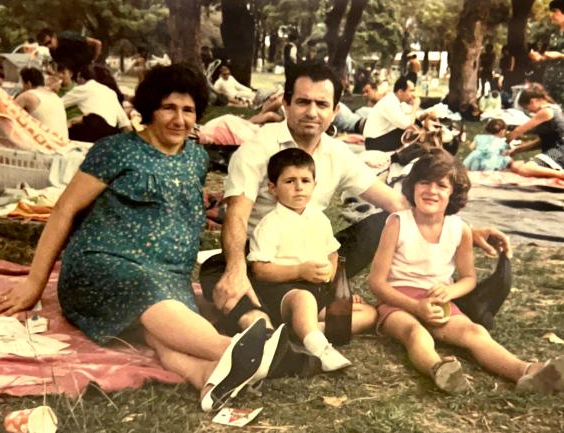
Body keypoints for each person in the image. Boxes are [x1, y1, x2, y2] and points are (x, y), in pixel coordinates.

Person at [0, 64, 287, 412]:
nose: (179, 120)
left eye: (188, 110)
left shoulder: (195, 157)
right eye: (169, 108)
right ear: (149, 110)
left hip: (167, 276)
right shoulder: (116, 149)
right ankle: (235, 350)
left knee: (160, 331)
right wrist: (34, 283)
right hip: (104, 266)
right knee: (147, 295)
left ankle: (207, 376)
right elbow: (64, 210)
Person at [199, 61, 511, 340]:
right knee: (217, 271)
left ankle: (281, 316)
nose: (312, 112)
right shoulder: (256, 148)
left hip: (315, 260)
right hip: (262, 259)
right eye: (303, 101)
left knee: (381, 224)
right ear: (286, 103)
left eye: (322, 104)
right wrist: (237, 269)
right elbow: (237, 216)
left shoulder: (336, 152)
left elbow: (396, 203)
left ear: (335, 110)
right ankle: (284, 316)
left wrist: (464, 228)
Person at [369, 148, 563, 394]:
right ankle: (438, 369)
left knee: (474, 331)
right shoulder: (398, 223)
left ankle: (526, 372)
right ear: (412, 187)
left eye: (441, 185)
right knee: (414, 332)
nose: (431, 190)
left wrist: (449, 291)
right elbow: (376, 283)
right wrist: (414, 307)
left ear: (453, 194)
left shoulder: (459, 229)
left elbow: (469, 278)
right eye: (424, 182)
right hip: (396, 300)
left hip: (439, 301)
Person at [248, 148, 377, 371]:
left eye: (305, 180)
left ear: (314, 185)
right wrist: (298, 272)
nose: (299, 187)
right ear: (272, 188)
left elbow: (332, 253)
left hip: (320, 290)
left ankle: (303, 330)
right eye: (289, 181)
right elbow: (260, 270)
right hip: (286, 291)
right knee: (304, 299)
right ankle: (320, 348)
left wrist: (333, 280)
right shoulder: (270, 225)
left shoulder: (319, 219)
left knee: (368, 314)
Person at [505, 83, 564, 180]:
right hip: (557, 149)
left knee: (525, 169)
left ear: (532, 102)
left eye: (527, 108)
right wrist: (517, 149)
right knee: (516, 166)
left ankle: (561, 174)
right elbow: (543, 141)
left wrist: (503, 141)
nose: (530, 112)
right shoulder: (554, 109)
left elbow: (520, 130)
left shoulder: (546, 111)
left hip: (560, 151)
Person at [62, 64, 131, 142]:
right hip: (110, 133)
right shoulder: (110, 92)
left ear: (80, 78)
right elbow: (124, 123)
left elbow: (57, 104)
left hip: (92, 130)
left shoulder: (82, 89)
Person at [362, 77, 420, 152]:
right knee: (407, 131)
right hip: (374, 143)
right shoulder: (390, 102)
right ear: (400, 92)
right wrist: (415, 106)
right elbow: (408, 124)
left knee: (413, 126)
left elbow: (410, 115)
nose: (412, 95)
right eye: (410, 91)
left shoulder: (394, 100)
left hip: (376, 139)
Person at [15, 67, 69, 139]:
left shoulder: (27, 95)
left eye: (23, 84)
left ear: (28, 83)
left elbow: (8, 113)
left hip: (44, 145)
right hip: (63, 141)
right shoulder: (56, 96)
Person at [528, 1, 564, 105]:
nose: (551, 15)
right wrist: (539, 58)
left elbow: (557, 55)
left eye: (555, 12)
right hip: (550, 80)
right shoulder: (554, 34)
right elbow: (548, 56)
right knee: (550, 110)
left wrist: (560, 55)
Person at [37, 28, 102, 74]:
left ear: (54, 36)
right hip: (78, 73)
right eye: (45, 45)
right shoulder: (53, 52)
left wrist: (94, 61)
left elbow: (97, 43)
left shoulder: (69, 38)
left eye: (49, 42)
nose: (48, 46)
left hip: (91, 67)